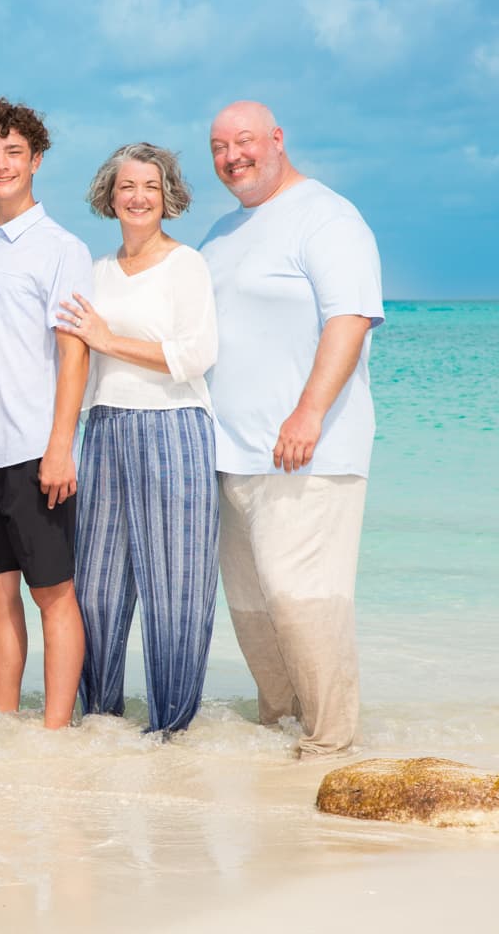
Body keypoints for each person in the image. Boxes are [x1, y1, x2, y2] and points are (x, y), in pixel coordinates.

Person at [201, 101, 383, 757]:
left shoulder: (327, 217)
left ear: (277, 140)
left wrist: (308, 412)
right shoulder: (222, 232)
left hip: (307, 451)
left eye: (245, 141)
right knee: (253, 607)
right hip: (229, 455)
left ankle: (332, 743)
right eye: (219, 147)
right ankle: (280, 735)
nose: (233, 157)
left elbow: (350, 319)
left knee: (302, 598)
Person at [56, 143, 220, 734]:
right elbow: (74, 357)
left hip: (174, 427)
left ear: (168, 196)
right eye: (127, 186)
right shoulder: (96, 271)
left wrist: (108, 340)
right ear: (110, 196)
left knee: (174, 590)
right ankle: (101, 723)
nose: (138, 197)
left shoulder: (186, 265)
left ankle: (172, 729)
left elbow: (197, 355)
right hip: (103, 428)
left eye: (151, 186)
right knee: (96, 590)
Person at [0, 98, 93, 727]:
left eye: (14, 152)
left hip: (36, 450)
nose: (1, 164)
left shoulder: (61, 248)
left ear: (36, 160)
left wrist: (60, 447)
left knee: (53, 592)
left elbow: (73, 354)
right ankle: (3, 725)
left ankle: (56, 731)